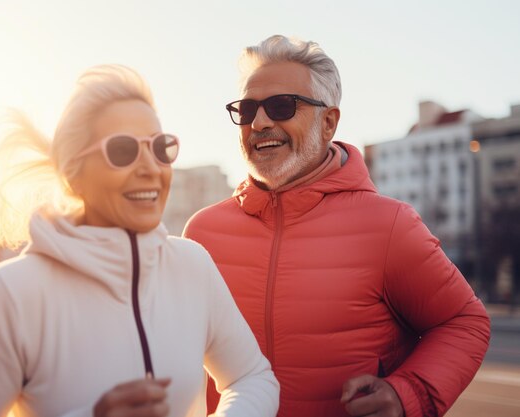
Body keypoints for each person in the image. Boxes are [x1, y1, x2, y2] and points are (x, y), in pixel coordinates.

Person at [0, 64, 279, 417]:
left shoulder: (192, 264)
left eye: (160, 148)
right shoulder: (12, 293)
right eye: (123, 150)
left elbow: (252, 377)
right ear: (74, 176)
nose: (150, 168)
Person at [183, 35, 490, 417]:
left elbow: (464, 321)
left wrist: (406, 394)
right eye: (247, 110)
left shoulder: (388, 224)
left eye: (281, 106)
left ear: (328, 122)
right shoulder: (202, 233)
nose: (259, 122)